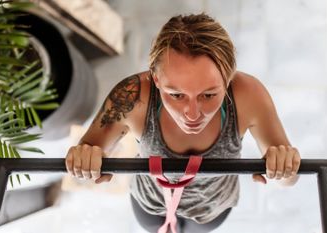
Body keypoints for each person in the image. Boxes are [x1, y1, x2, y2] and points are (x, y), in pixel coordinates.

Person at [65, 13, 301, 233]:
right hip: (149, 202)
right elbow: (89, 150)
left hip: (212, 208)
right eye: (176, 95)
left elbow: (288, 180)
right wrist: (86, 161)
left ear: (228, 78)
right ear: (156, 79)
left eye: (208, 95)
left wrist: (283, 168)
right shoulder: (133, 96)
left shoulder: (249, 96)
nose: (192, 114)